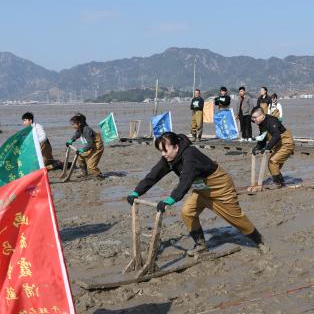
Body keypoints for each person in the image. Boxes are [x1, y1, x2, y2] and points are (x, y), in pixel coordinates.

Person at [126, 132, 267, 255]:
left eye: (165, 150)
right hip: (201, 190)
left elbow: (185, 180)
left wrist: (170, 200)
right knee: (187, 212)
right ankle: (200, 245)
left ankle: (259, 240)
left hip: (220, 188)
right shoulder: (169, 158)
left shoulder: (190, 155)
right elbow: (154, 174)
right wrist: (136, 192)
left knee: (236, 218)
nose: (163, 154)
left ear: (176, 147)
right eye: (160, 151)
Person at [250, 106, 295, 188]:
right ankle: (281, 182)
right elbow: (263, 137)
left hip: (286, 143)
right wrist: (258, 147)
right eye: (252, 117)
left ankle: (279, 183)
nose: (253, 119)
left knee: (272, 162)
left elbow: (276, 135)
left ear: (262, 115)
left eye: (255, 117)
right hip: (277, 145)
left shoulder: (271, 121)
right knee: (273, 166)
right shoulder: (261, 123)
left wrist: (267, 148)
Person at [65, 113, 105, 178]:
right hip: (90, 146)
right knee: (80, 156)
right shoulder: (80, 128)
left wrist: (83, 149)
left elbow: (90, 143)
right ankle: (84, 172)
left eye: (73, 124)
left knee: (91, 165)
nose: (72, 126)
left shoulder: (87, 130)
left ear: (79, 123)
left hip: (97, 147)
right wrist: (71, 140)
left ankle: (99, 175)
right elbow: (77, 135)